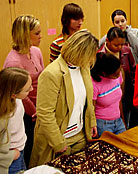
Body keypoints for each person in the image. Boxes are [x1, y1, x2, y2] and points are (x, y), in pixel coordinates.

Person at [29, 29, 98, 167]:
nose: (92, 59)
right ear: (80, 53)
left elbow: (87, 100)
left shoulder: (83, 67)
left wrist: (92, 122)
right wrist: (58, 142)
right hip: (59, 138)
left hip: (80, 135)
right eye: (90, 55)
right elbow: (45, 114)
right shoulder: (51, 74)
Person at [3, 15, 44, 167]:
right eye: (37, 33)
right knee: (27, 146)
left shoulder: (36, 51)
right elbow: (18, 95)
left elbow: (42, 77)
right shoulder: (13, 61)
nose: (41, 36)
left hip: (39, 105)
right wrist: (34, 112)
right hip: (26, 112)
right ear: (25, 35)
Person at [98, 26, 135, 129]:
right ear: (107, 41)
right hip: (107, 101)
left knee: (125, 123)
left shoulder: (126, 51)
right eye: (116, 44)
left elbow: (133, 70)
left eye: (122, 44)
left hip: (125, 94)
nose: (119, 47)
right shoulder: (100, 56)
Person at [0, 67, 33, 174]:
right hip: (10, 158)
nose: (32, 89)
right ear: (13, 94)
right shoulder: (3, 116)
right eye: (27, 89)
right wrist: (10, 156)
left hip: (20, 150)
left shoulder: (17, 100)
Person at [91, 52, 126, 137]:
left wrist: (122, 119)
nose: (118, 76)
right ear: (104, 73)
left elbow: (119, 101)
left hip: (118, 121)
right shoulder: (94, 84)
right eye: (115, 75)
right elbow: (92, 108)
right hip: (103, 124)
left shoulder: (118, 74)